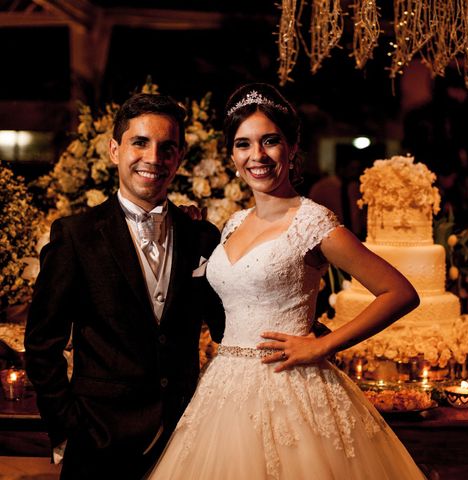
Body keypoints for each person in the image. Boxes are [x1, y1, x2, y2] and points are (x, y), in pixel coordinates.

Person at [149, 83, 426, 479]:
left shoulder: (314, 222)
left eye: (270, 141)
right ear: (232, 155)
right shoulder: (234, 223)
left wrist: (322, 345)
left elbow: (399, 292)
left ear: (292, 147)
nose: (256, 156)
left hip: (290, 388)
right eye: (243, 144)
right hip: (223, 390)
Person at [24, 93, 225, 479]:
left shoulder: (202, 237)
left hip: (187, 438)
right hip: (98, 441)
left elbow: (227, 328)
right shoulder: (75, 236)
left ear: (179, 157)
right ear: (114, 150)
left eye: (167, 147)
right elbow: (41, 345)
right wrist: (69, 427)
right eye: (140, 142)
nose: (154, 158)